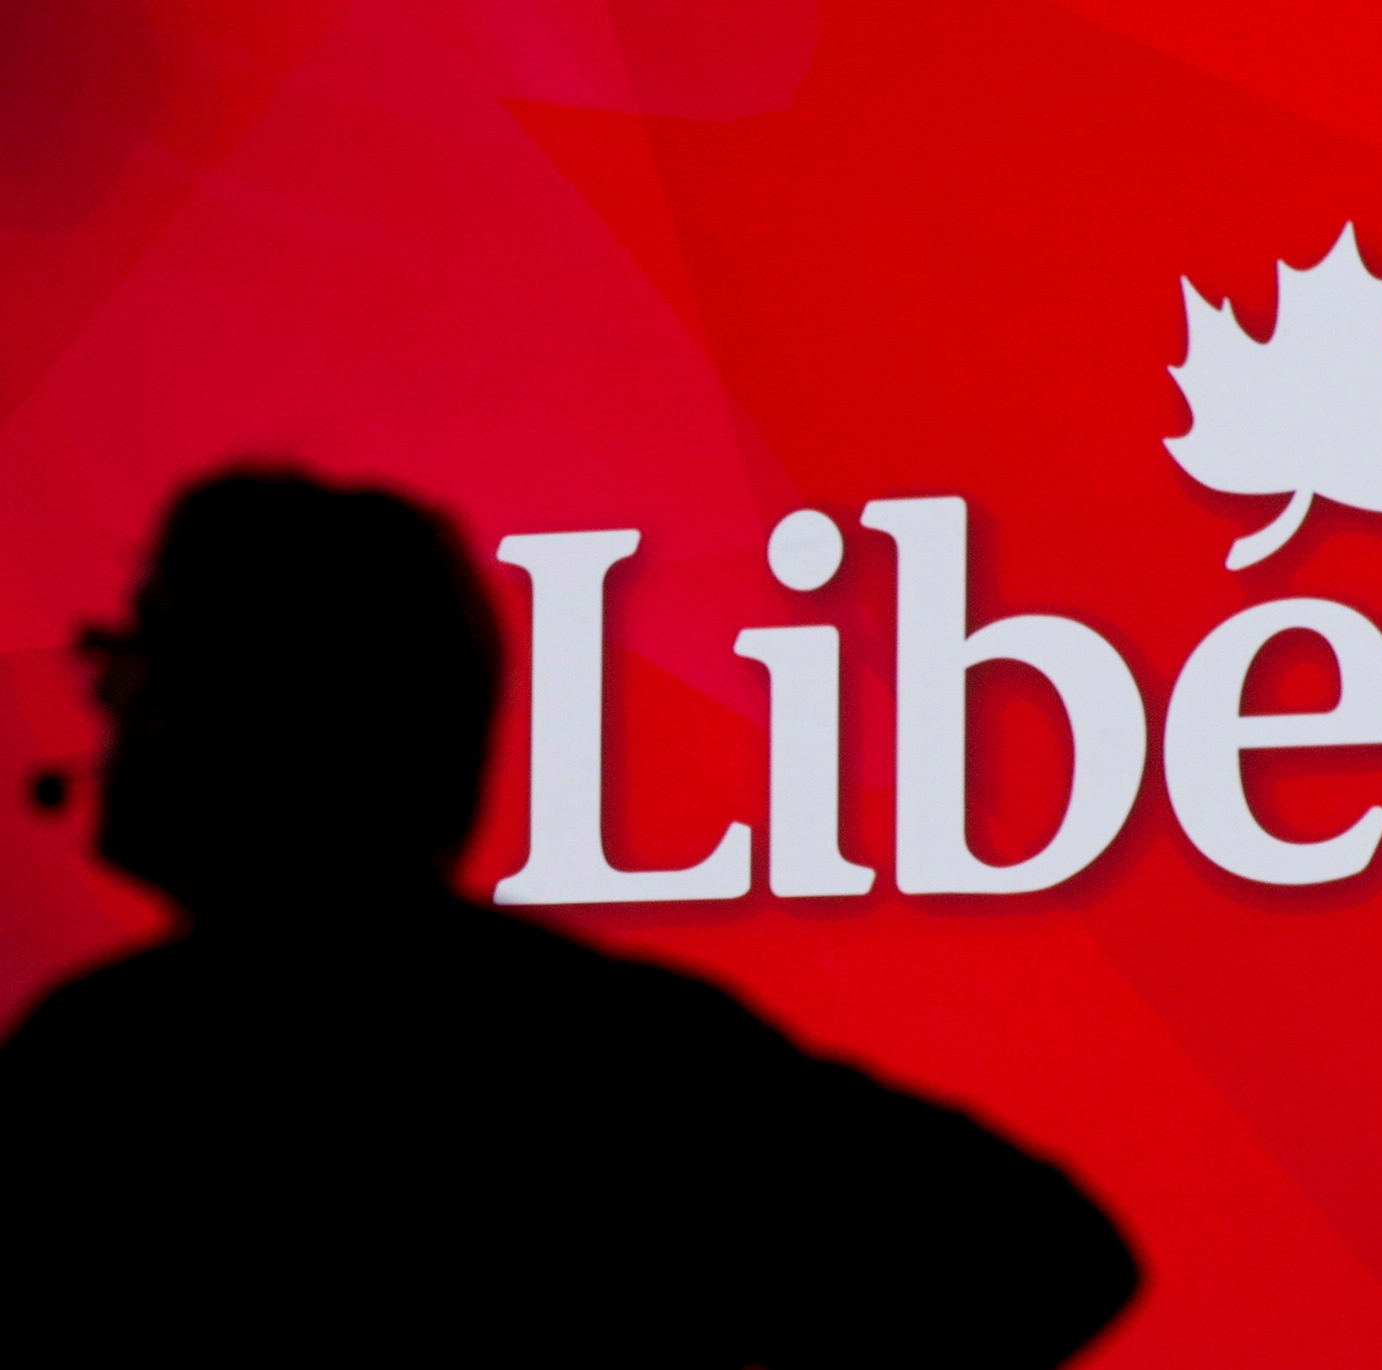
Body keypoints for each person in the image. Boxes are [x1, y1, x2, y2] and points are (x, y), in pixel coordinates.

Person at [0, 469, 1137, 1364]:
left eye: (144, 650)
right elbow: (1044, 1253)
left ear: (241, 699)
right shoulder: (612, 1045)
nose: (106, 693)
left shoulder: (101, 1061)